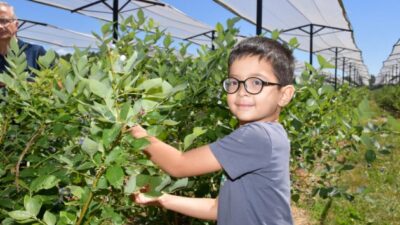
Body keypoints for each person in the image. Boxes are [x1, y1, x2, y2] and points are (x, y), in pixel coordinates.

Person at [130, 36, 296, 225]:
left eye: (256, 83)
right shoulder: (269, 135)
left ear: (284, 95)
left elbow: (178, 165)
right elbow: (218, 208)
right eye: (234, 82)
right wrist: (163, 198)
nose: (242, 91)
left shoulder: (258, 136)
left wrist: (136, 132)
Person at [0, 1, 46, 88]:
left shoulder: (36, 52)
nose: (0, 26)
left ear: (16, 24)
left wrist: (12, 84)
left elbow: (55, 85)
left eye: (4, 21)